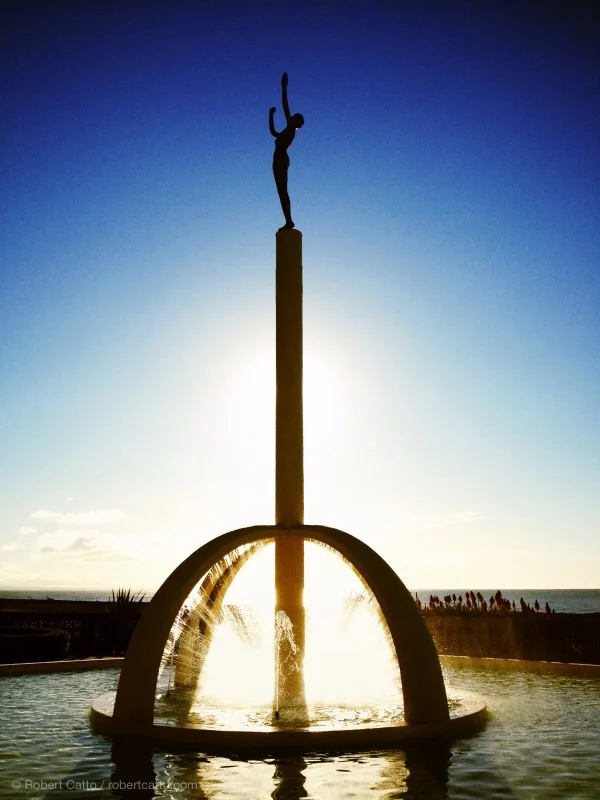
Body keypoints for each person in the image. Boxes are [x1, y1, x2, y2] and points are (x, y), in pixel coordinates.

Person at [269, 72, 304, 229]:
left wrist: (284, 87)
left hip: (281, 157)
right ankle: (288, 220)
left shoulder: (291, 128)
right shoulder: (287, 131)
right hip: (280, 157)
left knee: (282, 191)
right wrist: (270, 115)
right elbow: (273, 132)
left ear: (297, 123)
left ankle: (289, 220)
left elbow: (285, 104)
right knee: (281, 191)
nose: (291, 116)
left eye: (294, 117)